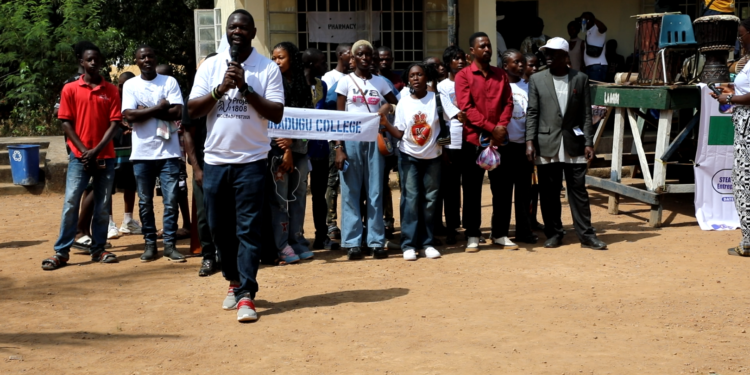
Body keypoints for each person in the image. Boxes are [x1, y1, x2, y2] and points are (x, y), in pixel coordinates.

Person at [188, 9, 284, 322]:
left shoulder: (267, 68)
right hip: (215, 161)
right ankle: (233, 279)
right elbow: (192, 109)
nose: (237, 30)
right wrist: (220, 89)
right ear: (226, 32)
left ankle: (246, 295)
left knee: (248, 230)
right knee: (218, 229)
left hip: (251, 163)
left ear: (253, 31)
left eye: (243, 26)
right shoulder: (212, 65)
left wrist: (245, 88)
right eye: (232, 26)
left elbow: (276, 113)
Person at [42, 43, 120, 270]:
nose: (93, 63)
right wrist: (84, 151)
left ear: (102, 62)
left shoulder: (111, 90)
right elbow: (66, 122)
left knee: (103, 204)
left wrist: (96, 151)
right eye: (89, 60)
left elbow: (115, 123)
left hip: (105, 156)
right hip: (79, 158)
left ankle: (98, 249)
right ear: (82, 63)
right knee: (70, 203)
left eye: (97, 59)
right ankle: (62, 252)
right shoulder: (70, 89)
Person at [525, 37, 607, 251]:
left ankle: (587, 236)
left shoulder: (580, 78)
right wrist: (529, 141)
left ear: (564, 56)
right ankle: (554, 233)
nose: (547, 57)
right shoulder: (537, 79)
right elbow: (532, 112)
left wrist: (589, 142)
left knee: (578, 191)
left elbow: (586, 114)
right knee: (549, 192)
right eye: (546, 53)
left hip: (574, 143)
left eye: (552, 53)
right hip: (546, 142)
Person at [334, 39, 399, 260]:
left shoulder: (381, 82)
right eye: (360, 54)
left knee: (375, 191)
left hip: (374, 139)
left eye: (368, 54)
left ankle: (375, 241)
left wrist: (386, 106)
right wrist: (339, 147)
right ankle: (352, 242)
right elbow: (339, 118)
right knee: (351, 191)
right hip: (351, 141)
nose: (364, 57)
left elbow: (397, 103)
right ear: (352, 58)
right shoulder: (344, 82)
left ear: (372, 58)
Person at [122, 46, 186, 263]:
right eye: (142, 57)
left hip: (169, 152)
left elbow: (177, 112)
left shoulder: (169, 82)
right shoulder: (131, 85)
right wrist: (159, 108)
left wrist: (144, 111)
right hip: (142, 154)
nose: (147, 59)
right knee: (145, 201)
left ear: (155, 58)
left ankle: (169, 245)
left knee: (171, 200)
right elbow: (129, 115)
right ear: (137, 61)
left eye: (150, 56)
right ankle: (150, 244)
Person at [455, 31, 514, 252]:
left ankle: (500, 233)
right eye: (482, 46)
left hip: (499, 141)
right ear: (472, 51)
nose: (487, 49)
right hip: (473, 142)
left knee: (502, 188)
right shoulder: (463, 76)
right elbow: (466, 107)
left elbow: (508, 103)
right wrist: (491, 129)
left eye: (489, 46)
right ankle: (472, 234)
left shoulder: (501, 74)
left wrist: (501, 127)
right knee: (472, 190)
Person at [380, 62, 442, 260]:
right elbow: (399, 132)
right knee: (411, 199)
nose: (416, 78)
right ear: (408, 79)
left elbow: (453, 118)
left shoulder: (437, 99)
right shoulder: (404, 102)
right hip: (409, 156)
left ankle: (427, 243)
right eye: (412, 75)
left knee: (430, 200)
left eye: (420, 75)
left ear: (427, 78)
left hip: (433, 157)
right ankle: (408, 244)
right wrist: (385, 124)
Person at [268, 41, 314, 263]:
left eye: (281, 57)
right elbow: (270, 118)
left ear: (292, 58)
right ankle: (281, 244)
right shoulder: (269, 85)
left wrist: (294, 142)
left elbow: (309, 119)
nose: (276, 62)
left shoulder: (302, 84)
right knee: (280, 198)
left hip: (301, 150)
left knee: (298, 196)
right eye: (274, 58)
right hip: (277, 152)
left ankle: (298, 241)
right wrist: (286, 149)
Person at [710, 17, 750, 257]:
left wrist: (730, 99)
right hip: (743, 123)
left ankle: (748, 244)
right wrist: (732, 91)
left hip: (748, 126)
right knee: (742, 183)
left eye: (742, 34)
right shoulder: (747, 61)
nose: (739, 39)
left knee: (744, 183)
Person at [183, 53, 220, 277]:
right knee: (205, 215)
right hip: (205, 165)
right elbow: (188, 134)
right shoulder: (195, 101)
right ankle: (208, 256)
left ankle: (226, 255)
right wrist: (197, 168)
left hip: (230, 163)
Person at [497, 49, 536, 246]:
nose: (521, 65)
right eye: (516, 62)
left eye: (522, 62)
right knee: (502, 192)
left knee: (524, 192)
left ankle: (524, 231)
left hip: (524, 146)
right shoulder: (499, 86)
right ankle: (499, 232)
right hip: (504, 146)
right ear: (505, 66)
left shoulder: (529, 87)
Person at [303, 48, 339, 251]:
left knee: (319, 193)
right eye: (321, 62)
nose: (325, 66)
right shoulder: (295, 85)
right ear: (310, 64)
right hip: (299, 148)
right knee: (296, 196)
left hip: (319, 147)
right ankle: (296, 238)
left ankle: (321, 235)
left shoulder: (322, 85)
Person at [155, 63, 192, 240]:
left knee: (179, 190)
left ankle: (186, 224)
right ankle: (172, 225)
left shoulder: (177, 101)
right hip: (160, 152)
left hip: (176, 154)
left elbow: (179, 122)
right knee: (166, 192)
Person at [437, 46, 468, 245]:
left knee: (471, 186)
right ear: (448, 63)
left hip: (470, 138)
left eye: (462, 58)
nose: (460, 61)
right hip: (450, 141)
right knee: (451, 188)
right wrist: (443, 149)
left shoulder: (470, 81)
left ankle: (471, 226)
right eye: (455, 59)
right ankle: (452, 227)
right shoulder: (442, 86)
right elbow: (444, 118)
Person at [321, 43, 352, 242]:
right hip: (336, 137)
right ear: (341, 56)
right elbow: (328, 104)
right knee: (333, 180)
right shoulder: (330, 78)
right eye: (350, 53)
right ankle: (331, 223)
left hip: (356, 136)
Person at [113, 71, 142, 238]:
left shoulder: (137, 98)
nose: (121, 88)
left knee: (130, 183)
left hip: (132, 147)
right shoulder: (112, 98)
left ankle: (128, 220)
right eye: (120, 85)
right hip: (113, 145)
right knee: (109, 185)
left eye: (125, 85)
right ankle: (109, 222)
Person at [524, 52, 543, 232]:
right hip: (521, 141)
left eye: (537, 65)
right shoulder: (519, 87)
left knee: (535, 185)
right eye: (531, 65)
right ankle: (524, 220)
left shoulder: (540, 85)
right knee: (524, 186)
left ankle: (533, 218)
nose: (535, 69)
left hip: (538, 141)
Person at [580, 12, 608, 82]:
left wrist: (592, 19)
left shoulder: (597, 29)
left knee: (596, 90)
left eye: (585, 20)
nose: (583, 22)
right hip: (589, 66)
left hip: (597, 66)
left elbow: (604, 28)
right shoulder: (588, 31)